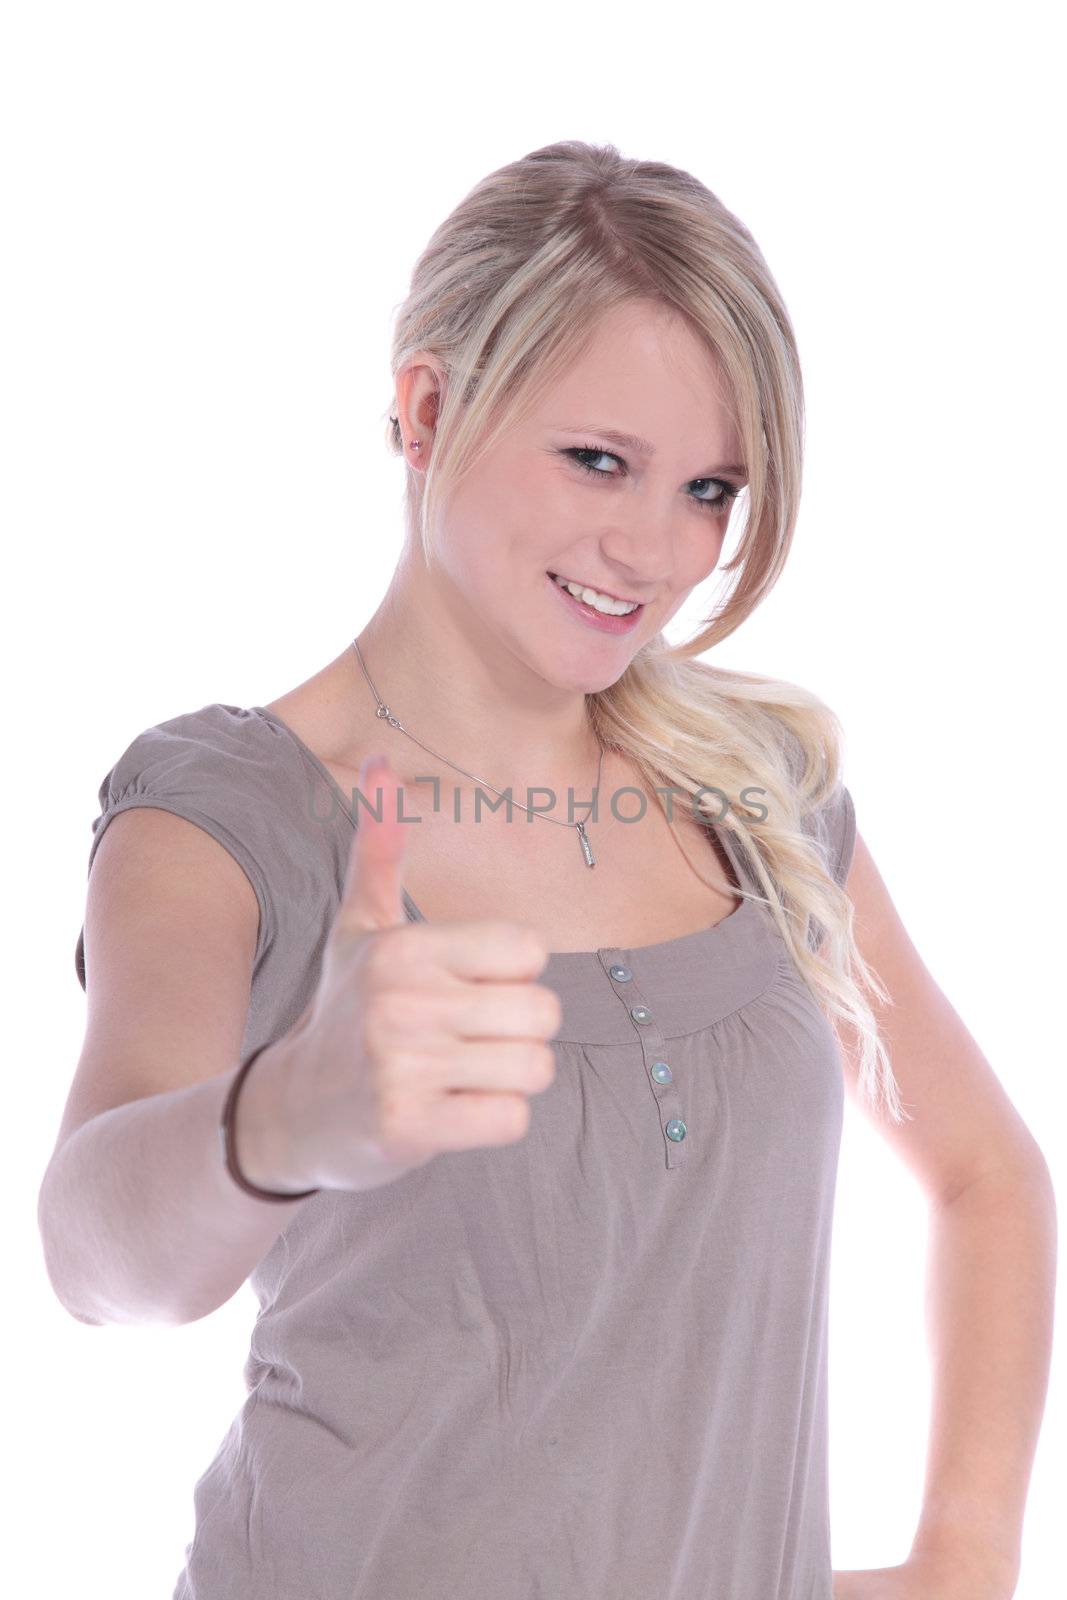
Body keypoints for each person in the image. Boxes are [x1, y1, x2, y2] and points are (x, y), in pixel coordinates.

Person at [39, 140, 1052, 1600]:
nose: (655, 549)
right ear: (427, 407)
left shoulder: (761, 797)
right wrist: (286, 1115)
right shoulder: (226, 816)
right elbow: (94, 1258)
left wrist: (965, 1555)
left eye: (711, 488)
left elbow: (981, 1174)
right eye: (599, 460)